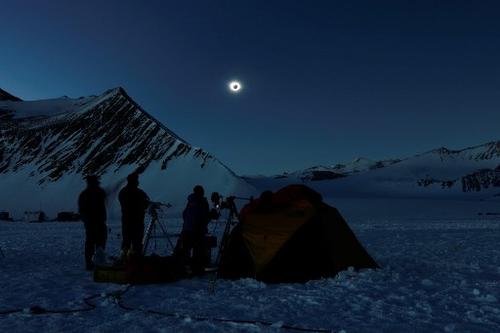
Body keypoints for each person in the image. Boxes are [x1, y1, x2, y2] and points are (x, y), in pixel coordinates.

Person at [175, 185, 211, 274]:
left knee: (185, 249)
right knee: (198, 250)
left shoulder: (190, 201)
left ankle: (181, 266)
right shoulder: (202, 202)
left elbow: (185, 214)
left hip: (187, 228)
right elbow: (204, 216)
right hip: (197, 230)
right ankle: (196, 268)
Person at [78, 175, 107, 271]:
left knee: (95, 244)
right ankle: (94, 263)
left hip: (94, 223)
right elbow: (82, 211)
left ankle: (92, 263)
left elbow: (81, 211)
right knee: (96, 244)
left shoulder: (85, 194)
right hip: (94, 223)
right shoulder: (97, 193)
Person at [119, 173, 150, 257]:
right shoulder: (139, 193)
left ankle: (125, 260)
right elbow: (145, 204)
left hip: (126, 222)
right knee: (137, 243)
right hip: (137, 222)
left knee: (126, 242)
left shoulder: (123, 192)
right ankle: (135, 261)